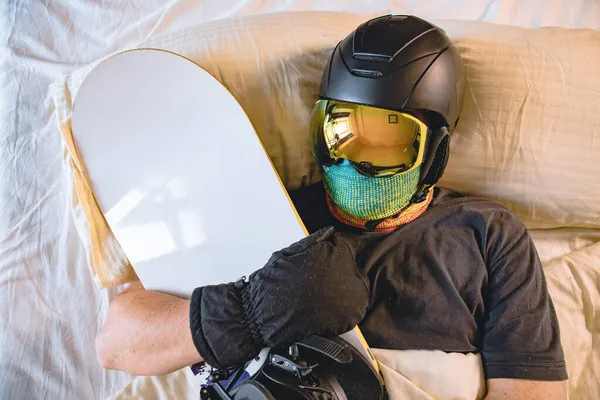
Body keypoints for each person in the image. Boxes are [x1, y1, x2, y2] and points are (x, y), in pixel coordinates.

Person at [95, 15, 568, 398]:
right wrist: (252, 309)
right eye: (339, 130)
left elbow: (533, 392)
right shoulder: (266, 206)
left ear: (436, 152)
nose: (352, 161)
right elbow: (116, 345)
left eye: (387, 140)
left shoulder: (489, 233)